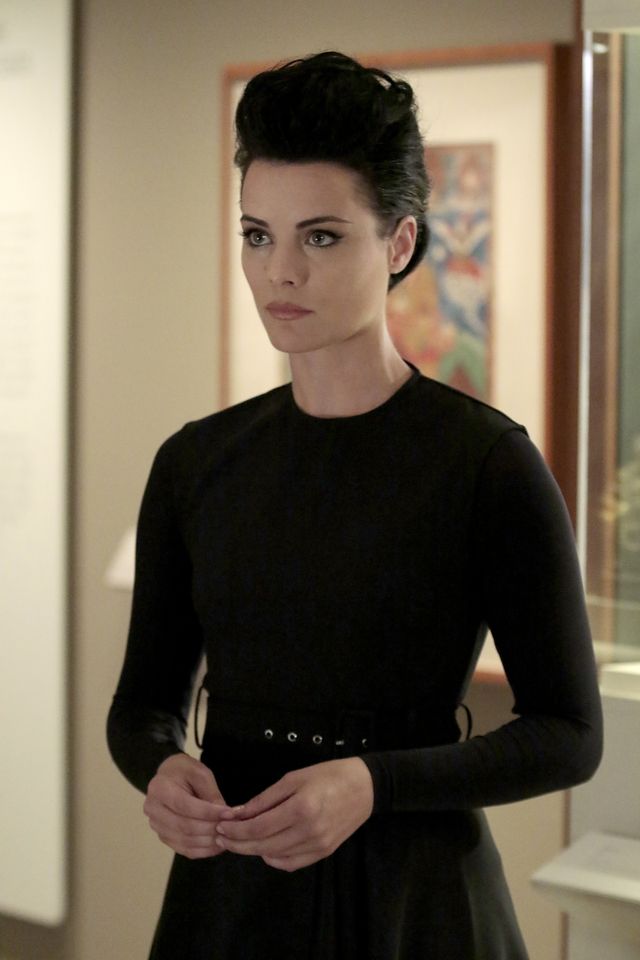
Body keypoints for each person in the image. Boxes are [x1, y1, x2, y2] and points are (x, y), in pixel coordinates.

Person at [107, 51, 602, 960]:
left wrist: (373, 784)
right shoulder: (194, 463)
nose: (280, 272)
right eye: (258, 235)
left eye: (322, 237)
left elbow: (568, 736)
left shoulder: (488, 465)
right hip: (229, 902)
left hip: (417, 904)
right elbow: (141, 706)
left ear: (400, 244)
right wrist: (164, 769)